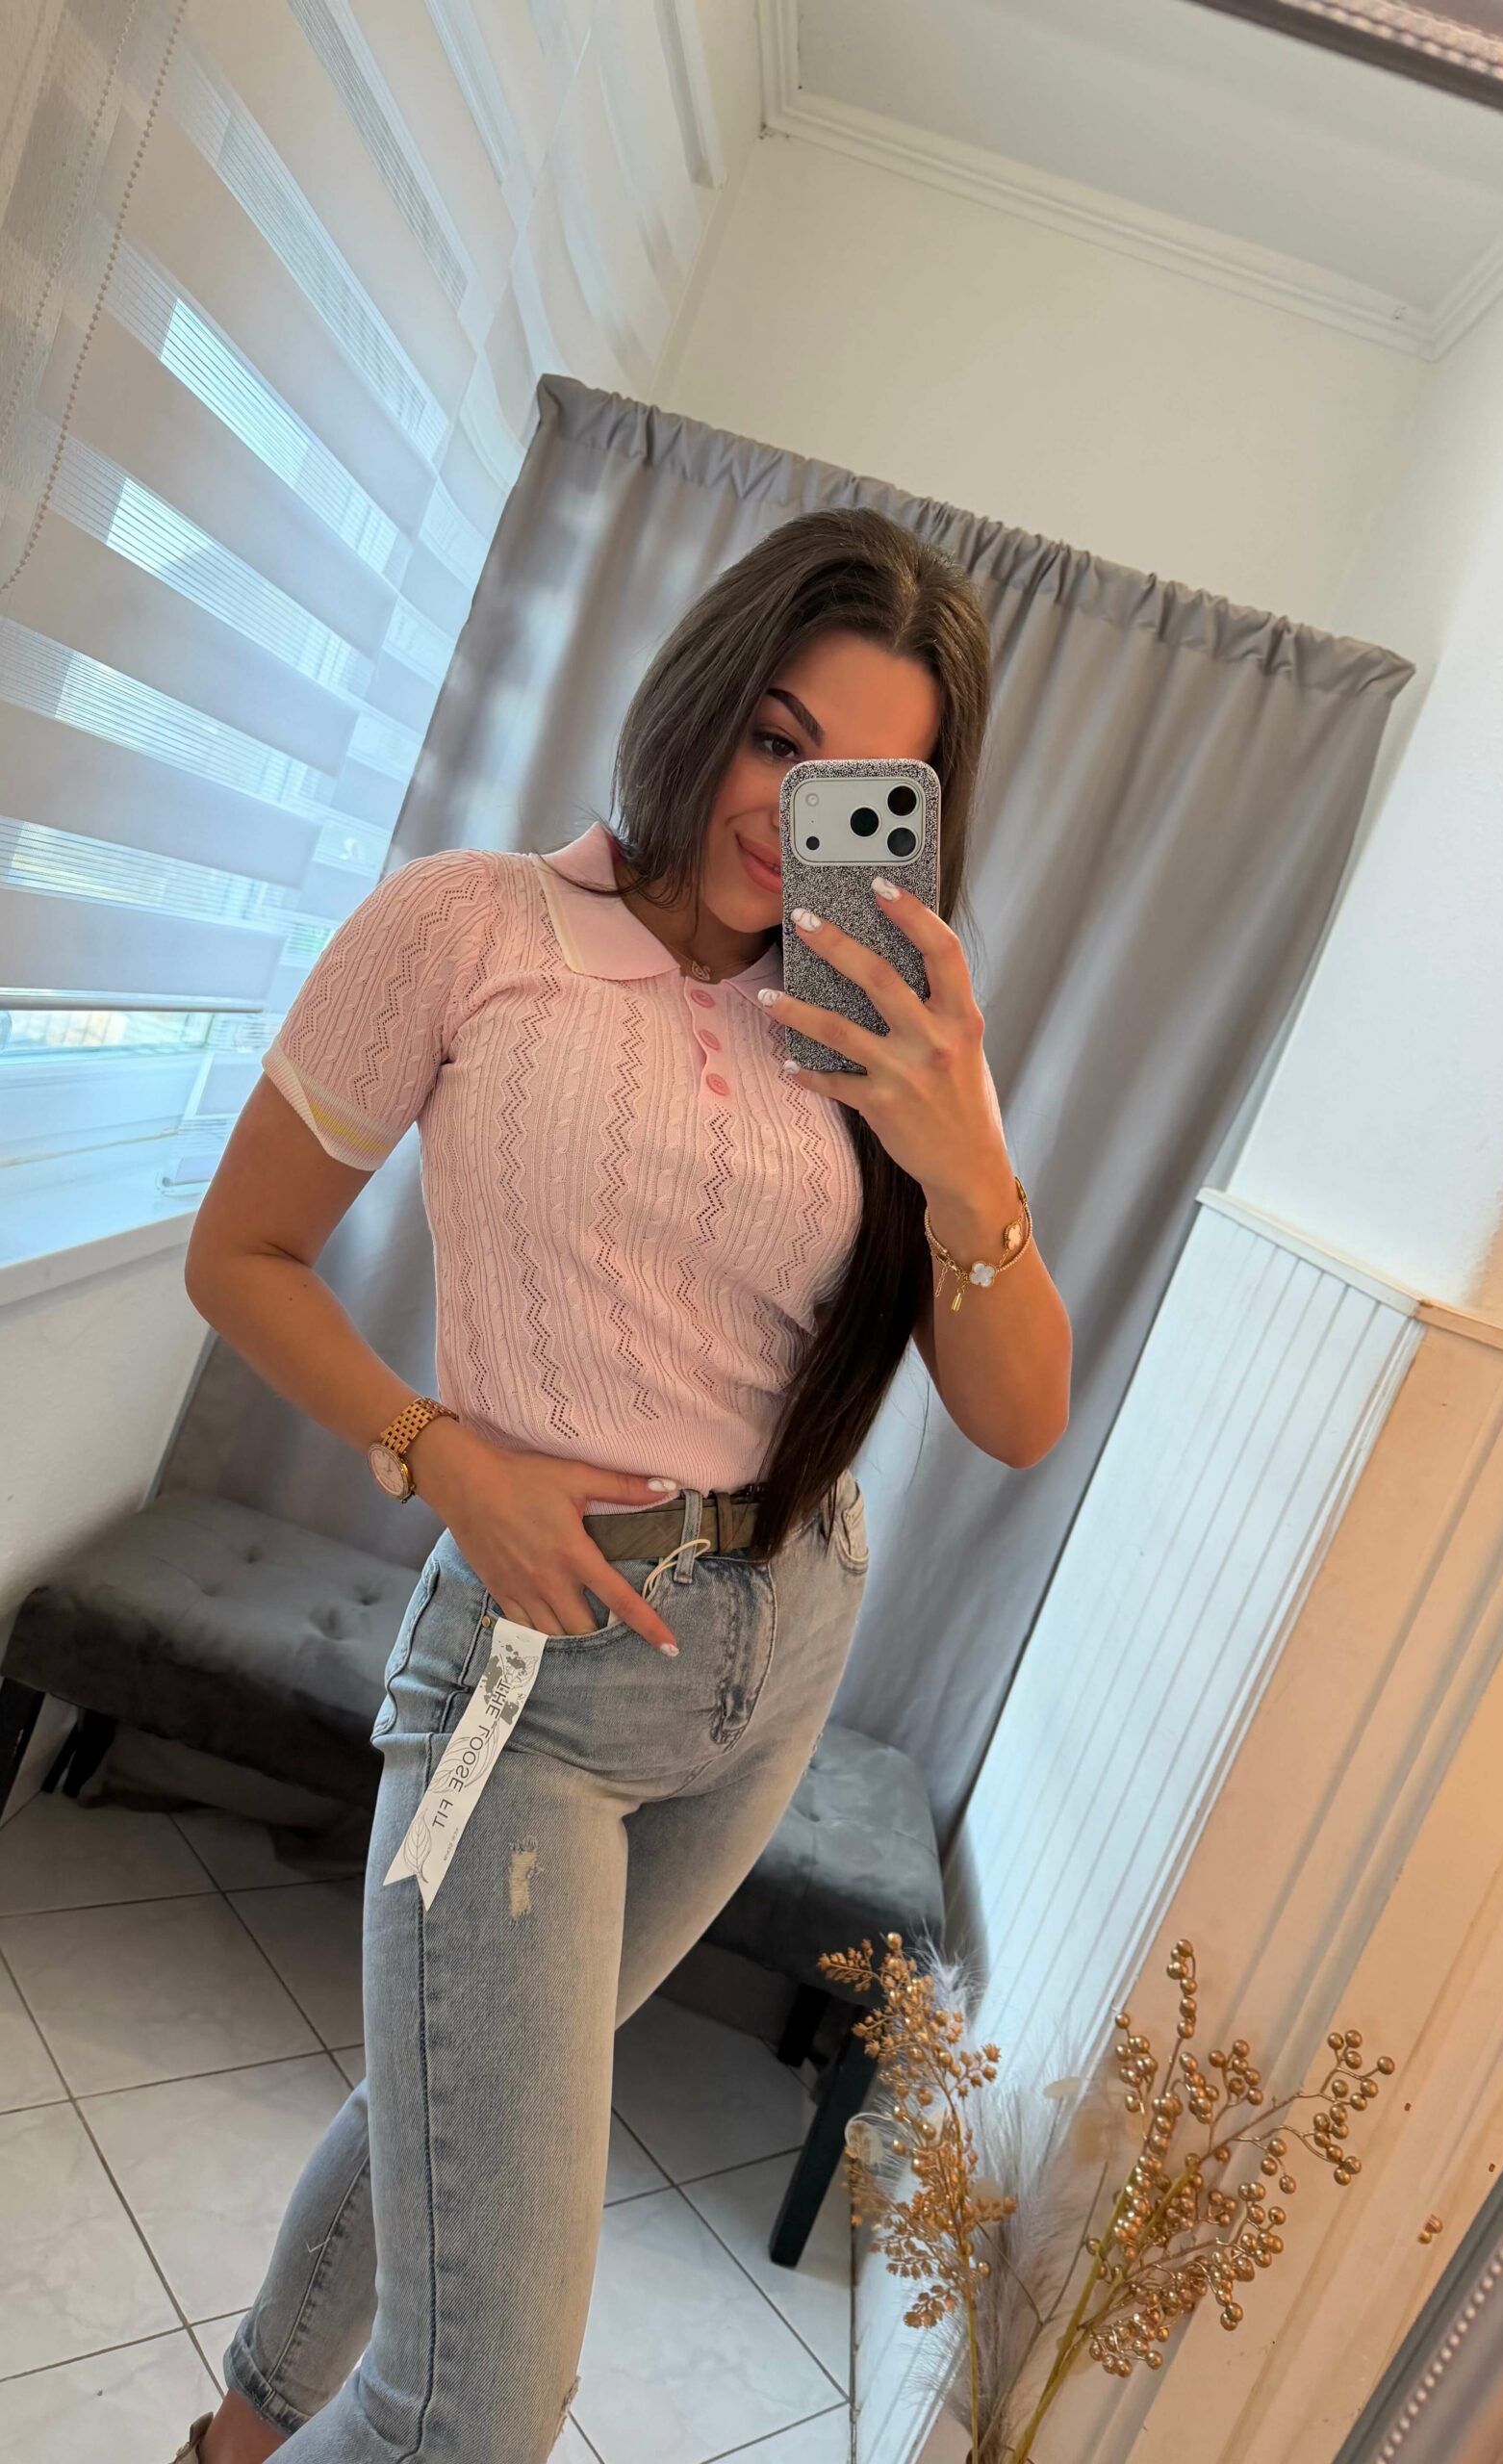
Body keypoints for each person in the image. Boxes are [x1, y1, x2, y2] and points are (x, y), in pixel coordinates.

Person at [173, 505, 1072, 2463]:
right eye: (774, 735)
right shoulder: (468, 926)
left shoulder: (888, 1026)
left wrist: (964, 1158)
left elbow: (1017, 1413)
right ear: (700, 694)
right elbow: (239, 1253)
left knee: (447, 2107)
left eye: (858, 781)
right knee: (478, 2407)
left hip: (776, 1652)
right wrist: (442, 1455)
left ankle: (232, 2435)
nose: (786, 809)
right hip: (535, 1677)